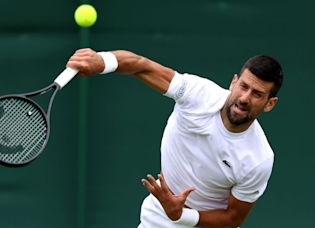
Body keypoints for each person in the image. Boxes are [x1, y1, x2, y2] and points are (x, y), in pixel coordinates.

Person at [66, 48, 283, 228]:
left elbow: (233, 218)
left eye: (257, 94)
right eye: (244, 86)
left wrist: (181, 215)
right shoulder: (198, 94)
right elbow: (142, 66)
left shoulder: (258, 159)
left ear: (270, 104)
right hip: (157, 219)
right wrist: (101, 60)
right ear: (233, 82)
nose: (245, 98)